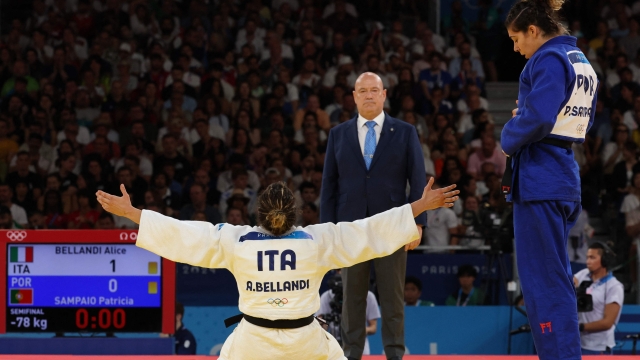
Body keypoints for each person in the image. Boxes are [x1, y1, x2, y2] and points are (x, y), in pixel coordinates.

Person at [96, 178, 458, 360]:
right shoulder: (317, 241)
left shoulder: (236, 241)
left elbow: (185, 234)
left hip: (253, 341)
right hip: (306, 341)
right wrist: (419, 206)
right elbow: (367, 231)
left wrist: (132, 214)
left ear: (260, 213)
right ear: (295, 212)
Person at [502, 0, 599, 358]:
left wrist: (509, 133)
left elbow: (540, 118)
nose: (516, 49)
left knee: (543, 282)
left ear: (533, 31)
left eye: (516, 39)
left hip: (540, 178)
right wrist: (529, 114)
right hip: (562, 174)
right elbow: (577, 123)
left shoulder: (547, 58)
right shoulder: (581, 61)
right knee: (553, 277)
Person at [321, 72, 426, 360]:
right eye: (362, 90)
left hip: (392, 226)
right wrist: (327, 230)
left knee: (393, 298)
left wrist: (418, 222)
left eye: (374, 90)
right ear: (354, 96)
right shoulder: (338, 134)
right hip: (350, 229)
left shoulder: (404, 132)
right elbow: (329, 185)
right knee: (351, 298)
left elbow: (417, 180)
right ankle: (351, 354)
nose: (368, 95)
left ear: (384, 94)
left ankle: (394, 354)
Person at [574, 243, 624, 355]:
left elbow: (607, 323)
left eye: (592, 257)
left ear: (604, 260)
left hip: (598, 347)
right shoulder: (583, 274)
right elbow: (567, 287)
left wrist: (579, 327)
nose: (588, 261)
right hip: (577, 344)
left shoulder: (614, 287)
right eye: (587, 257)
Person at [317, 272, 380, 356]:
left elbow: (373, 328)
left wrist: (356, 331)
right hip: (333, 348)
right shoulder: (326, 296)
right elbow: (319, 327)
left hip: (360, 349)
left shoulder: (368, 296)